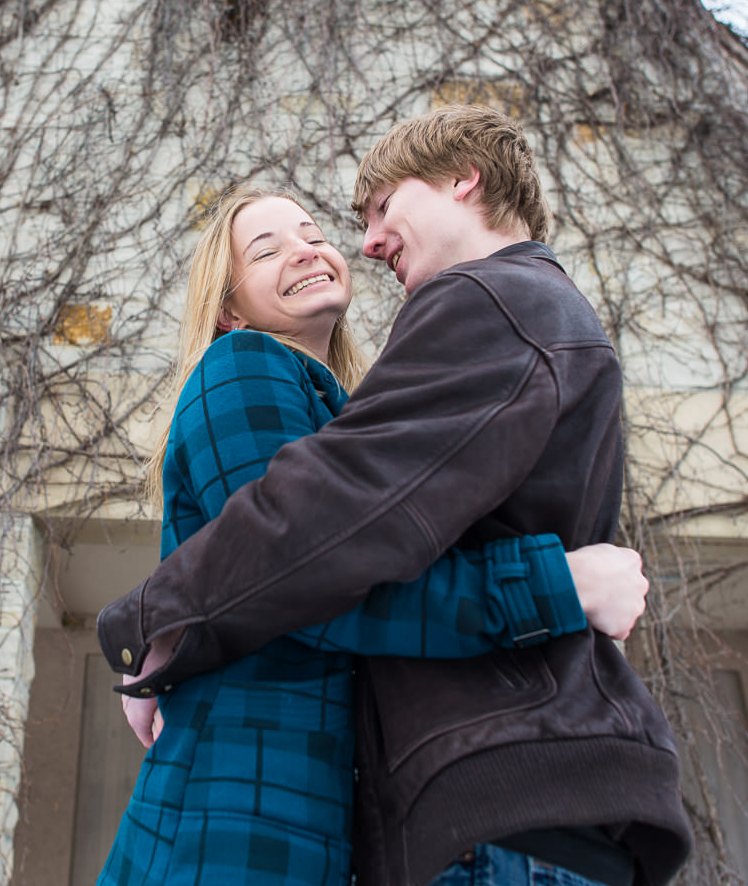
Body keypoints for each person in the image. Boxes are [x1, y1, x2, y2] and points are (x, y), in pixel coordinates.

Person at [99, 108, 693, 886]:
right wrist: (160, 621)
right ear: (229, 307)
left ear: (462, 181)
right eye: (268, 247)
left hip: (330, 803)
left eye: (323, 231)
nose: (350, 243)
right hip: (243, 794)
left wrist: (163, 618)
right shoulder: (242, 362)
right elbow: (309, 571)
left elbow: (326, 556)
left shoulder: (463, 322)